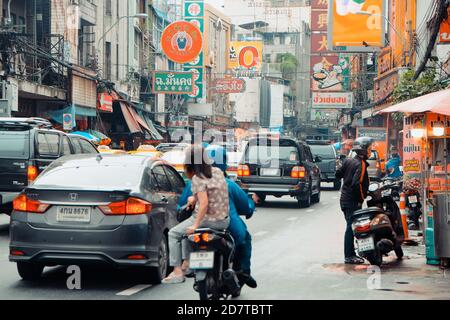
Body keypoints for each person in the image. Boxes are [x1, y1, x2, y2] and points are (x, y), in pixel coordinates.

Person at [177, 145, 258, 288]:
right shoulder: (228, 183)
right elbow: (246, 208)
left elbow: (180, 207)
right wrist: (252, 202)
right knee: (244, 238)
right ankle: (244, 272)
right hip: (224, 225)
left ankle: (186, 265)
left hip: (199, 225)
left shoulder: (193, 182)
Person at [163, 145, 230, 284]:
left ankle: (177, 271)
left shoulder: (197, 178)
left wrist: (196, 224)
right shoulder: (217, 172)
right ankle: (187, 262)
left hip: (206, 220)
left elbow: (204, 203)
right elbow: (214, 192)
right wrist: (194, 198)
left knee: (174, 233)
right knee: (187, 232)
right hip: (223, 221)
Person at [336, 137, 373, 265]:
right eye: (369, 149)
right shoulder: (360, 164)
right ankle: (349, 255)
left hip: (345, 199)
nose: (370, 151)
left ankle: (351, 253)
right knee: (351, 227)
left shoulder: (348, 160)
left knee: (352, 227)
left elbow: (338, 174)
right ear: (363, 150)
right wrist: (361, 198)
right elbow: (356, 184)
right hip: (352, 201)